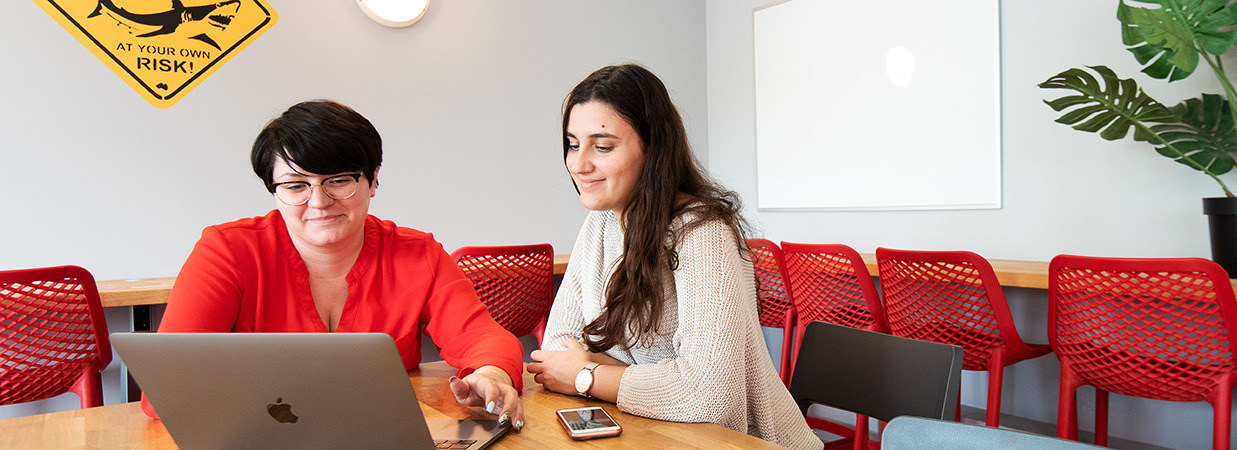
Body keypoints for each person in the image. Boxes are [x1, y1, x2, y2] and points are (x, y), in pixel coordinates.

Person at [147, 100, 525, 429]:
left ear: (373, 179)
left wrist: (491, 374)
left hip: (382, 435)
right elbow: (165, 389)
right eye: (296, 185)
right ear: (274, 191)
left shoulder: (417, 253)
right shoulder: (227, 251)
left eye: (338, 180)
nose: (319, 201)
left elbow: (483, 337)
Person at [525, 64, 821, 450]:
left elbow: (712, 398)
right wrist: (657, 381)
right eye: (572, 143)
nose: (579, 164)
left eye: (602, 146)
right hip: (656, 432)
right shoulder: (600, 224)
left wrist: (587, 375)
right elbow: (557, 352)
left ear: (652, 147)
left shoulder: (702, 233)